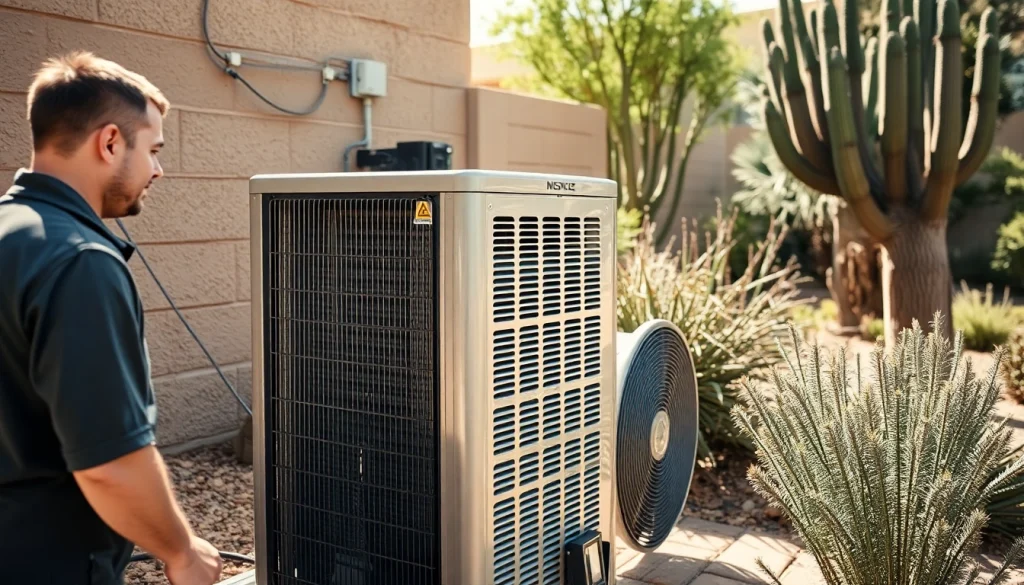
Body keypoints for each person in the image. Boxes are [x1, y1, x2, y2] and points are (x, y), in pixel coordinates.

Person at [0, 52, 223, 585]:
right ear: (109, 143)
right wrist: (182, 553)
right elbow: (111, 465)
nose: (158, 170)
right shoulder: (81, 262)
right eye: (153, 150)